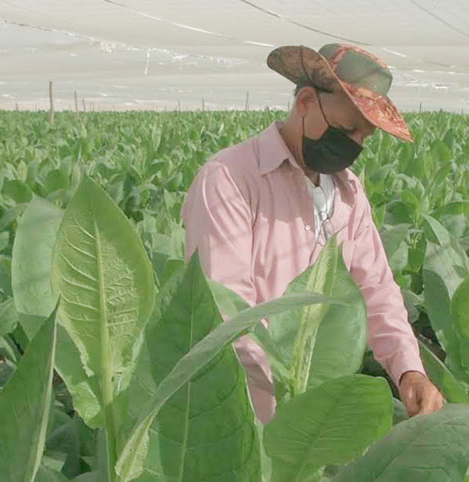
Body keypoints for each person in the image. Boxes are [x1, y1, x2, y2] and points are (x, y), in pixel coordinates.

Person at [181, 43, 444, 423]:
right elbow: (226, 312)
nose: (353, 145)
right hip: (239, 414)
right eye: (347, 128)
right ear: (305, 100)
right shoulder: (230, 180)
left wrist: (409, 369)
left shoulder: (349, 193)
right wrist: (289, 394)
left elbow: (377, 290)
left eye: (363, 136)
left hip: (315, 411)